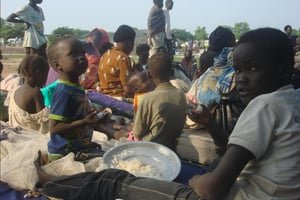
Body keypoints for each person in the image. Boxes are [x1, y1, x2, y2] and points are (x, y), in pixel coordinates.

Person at [41, 27, 300, 200]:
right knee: (217, 163)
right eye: (238, 70)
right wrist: (210, 124)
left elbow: (211, 189)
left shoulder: (264, 106)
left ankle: (45, 184)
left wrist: (197, 181)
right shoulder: (290, 101)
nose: (240, 80)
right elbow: (232, 150)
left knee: (113, 181)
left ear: (283, 69)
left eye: (252, 69)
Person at [46, 36, 107, 161]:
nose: (81, 57)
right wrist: (84, 122)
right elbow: (54, 127)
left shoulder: (75, 87)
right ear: (58, 65)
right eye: (73, 54)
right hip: (65, 153)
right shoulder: (64, 91)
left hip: (78, 147)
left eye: (82, 53)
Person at [131, 53, 187, 151]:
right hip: (172, 148)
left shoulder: (147, 99)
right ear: (171, 72)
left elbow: (137, 133)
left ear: (149, 74)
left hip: (151, 149)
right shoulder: (181, 94)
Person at [4, 54, 50, 133]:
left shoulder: (14, 91)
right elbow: (44, 124)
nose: (46, 79)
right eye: (46, 74)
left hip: (16, 134)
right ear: (38, 72)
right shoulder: (35, 93)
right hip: (28, 138)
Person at [98, 24, 136, 97]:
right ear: (129, 42)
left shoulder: (106, 55)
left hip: (104, 98)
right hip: (119, 98)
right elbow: (127, 89)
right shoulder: (123, 58)